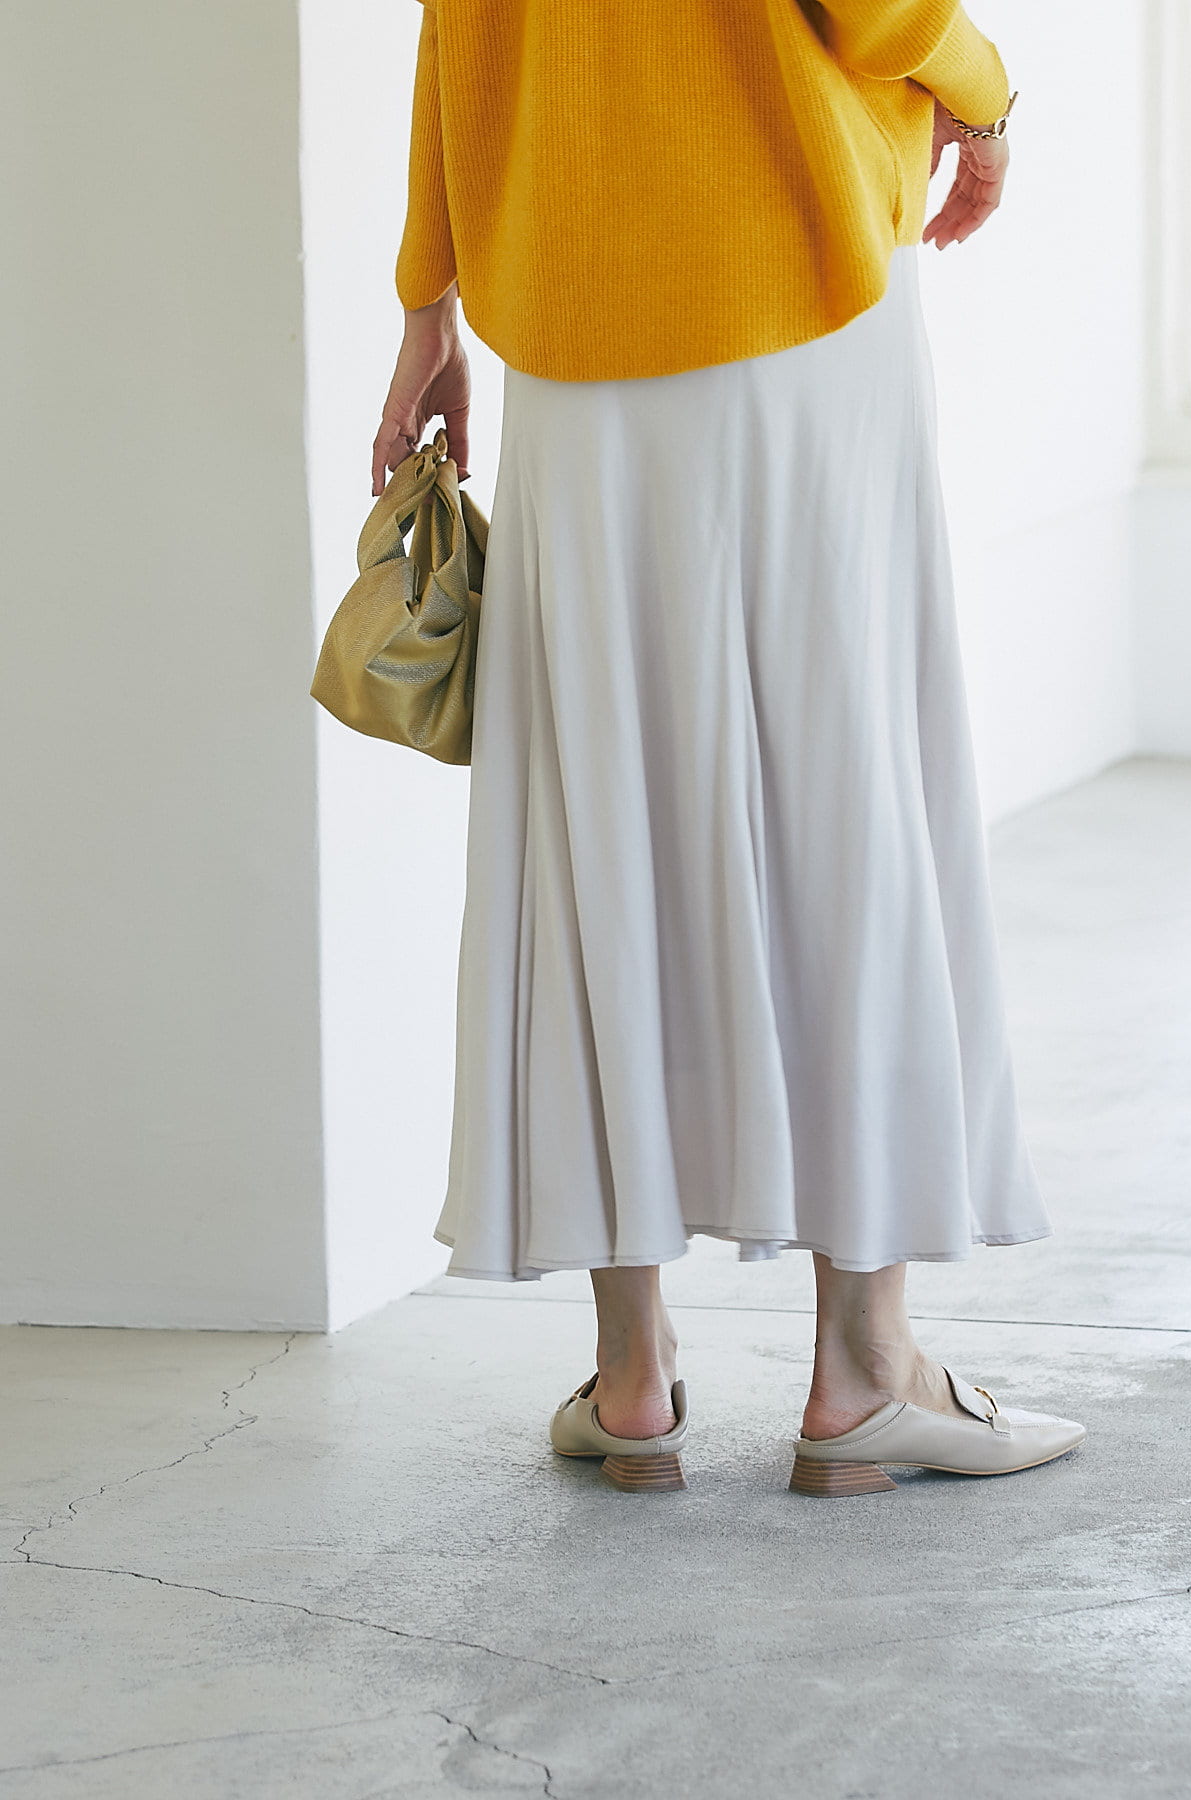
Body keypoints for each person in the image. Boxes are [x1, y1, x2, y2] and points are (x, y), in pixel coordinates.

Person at [371, 0, 1084, 1497]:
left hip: (565, 302)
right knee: (840, 783)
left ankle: (633, 1379)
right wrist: (983, 94)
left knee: (604, 800)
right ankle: (865, 1372)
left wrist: (428, 296)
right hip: (798, 275)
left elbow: (457, 27)